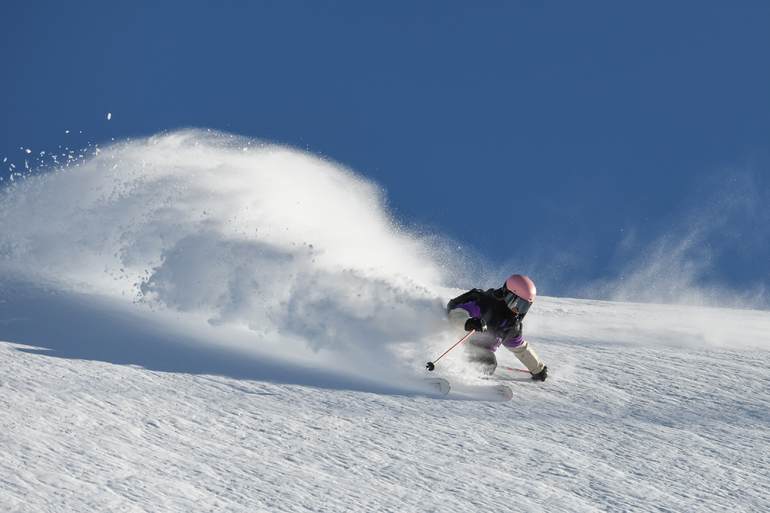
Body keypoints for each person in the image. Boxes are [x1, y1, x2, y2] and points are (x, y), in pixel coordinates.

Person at [446, 274, 548, 381]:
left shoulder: (512, 326)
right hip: (455, 345)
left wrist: (538, 369)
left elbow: (521, 349)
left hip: (479, 354)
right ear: (505, 293)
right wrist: (468, 322)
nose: (517, 310)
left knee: (488, 361)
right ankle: (464, 380)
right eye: (515, 302)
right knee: (488, 361)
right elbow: (456, 313)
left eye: (523, 306)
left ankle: (471, 378)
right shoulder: (485, 305)